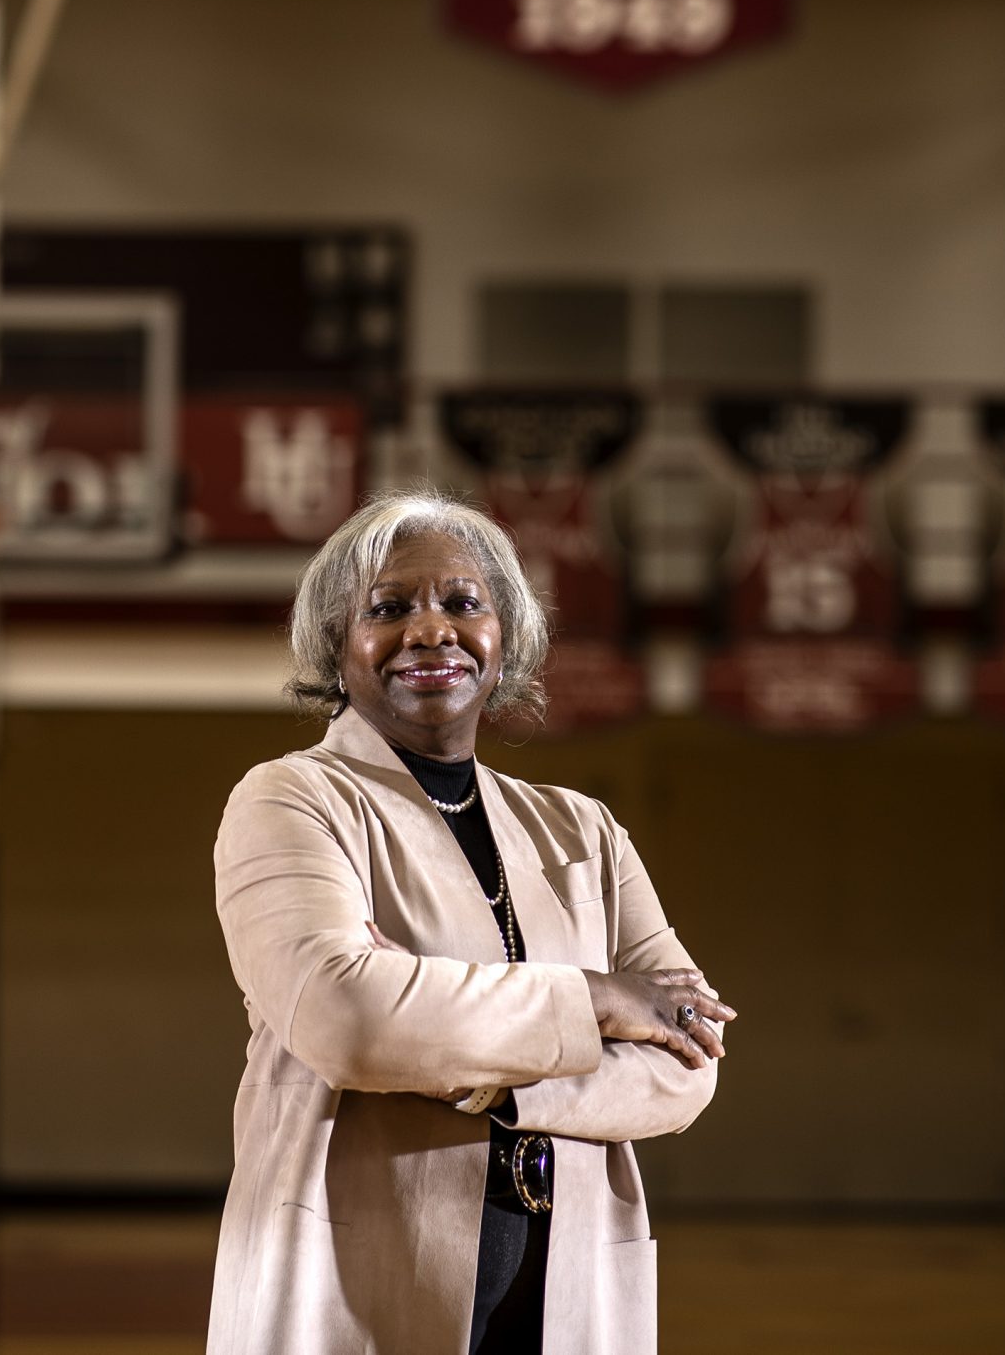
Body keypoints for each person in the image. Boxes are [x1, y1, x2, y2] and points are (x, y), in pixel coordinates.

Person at [209, 489, 734, 1355]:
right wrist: (598, 1003)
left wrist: (495, 1083)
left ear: (505, 637)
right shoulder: (291, 800)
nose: (430, 631)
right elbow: (352, 1020)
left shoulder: (583, 830)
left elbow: (689, 1060)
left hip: (569, 1290)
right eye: (389, 608)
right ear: (336, 646)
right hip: (354, 1285)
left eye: (462, 603)